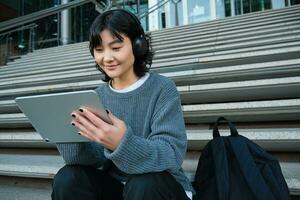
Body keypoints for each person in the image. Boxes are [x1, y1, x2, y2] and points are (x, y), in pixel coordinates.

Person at [51, 9, 194, 200]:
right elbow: (96, 159)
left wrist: (121, 142)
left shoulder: (162, 88)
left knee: (143, 184)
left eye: (116, 47)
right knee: (68, 178)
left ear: (138, 45)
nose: (107, 58)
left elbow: (171, 155)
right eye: (99, 50)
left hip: (160, 187)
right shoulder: (96, 95)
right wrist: (66, 137)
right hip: (119, 188)